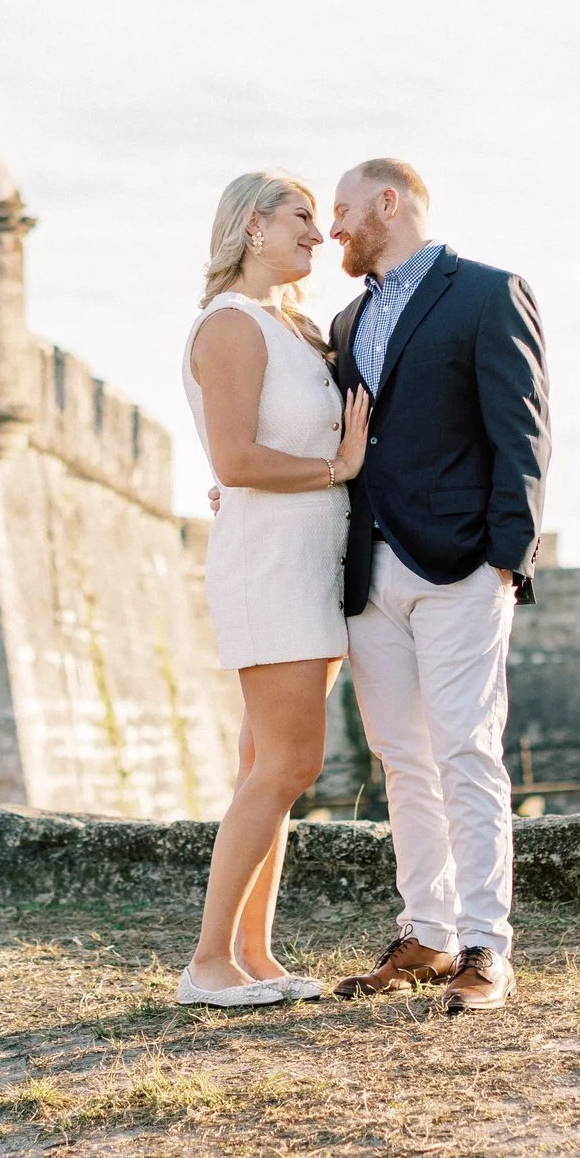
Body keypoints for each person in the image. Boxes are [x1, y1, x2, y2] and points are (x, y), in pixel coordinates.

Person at [324, 159, 549, 1014]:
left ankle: (487, 946)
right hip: (367, 567)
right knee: (402, 758)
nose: (332, 228)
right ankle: (427, 932)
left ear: (389, 203)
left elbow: (524, 432)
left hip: (462, 566)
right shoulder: (345, 321)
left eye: (342, 209)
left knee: (465, 749)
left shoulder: (488, 293)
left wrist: (507, 559)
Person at [176, 171, 371, 1007]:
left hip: (309, 564)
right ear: (252, 226)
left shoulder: (293, 329)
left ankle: (252, 953)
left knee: (270, 767)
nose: (318, 235)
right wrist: (337, 468)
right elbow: (235, 460)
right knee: (289, 763)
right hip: (270, 569)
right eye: (301, 217)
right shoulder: (230, 323)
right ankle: (208, 962)